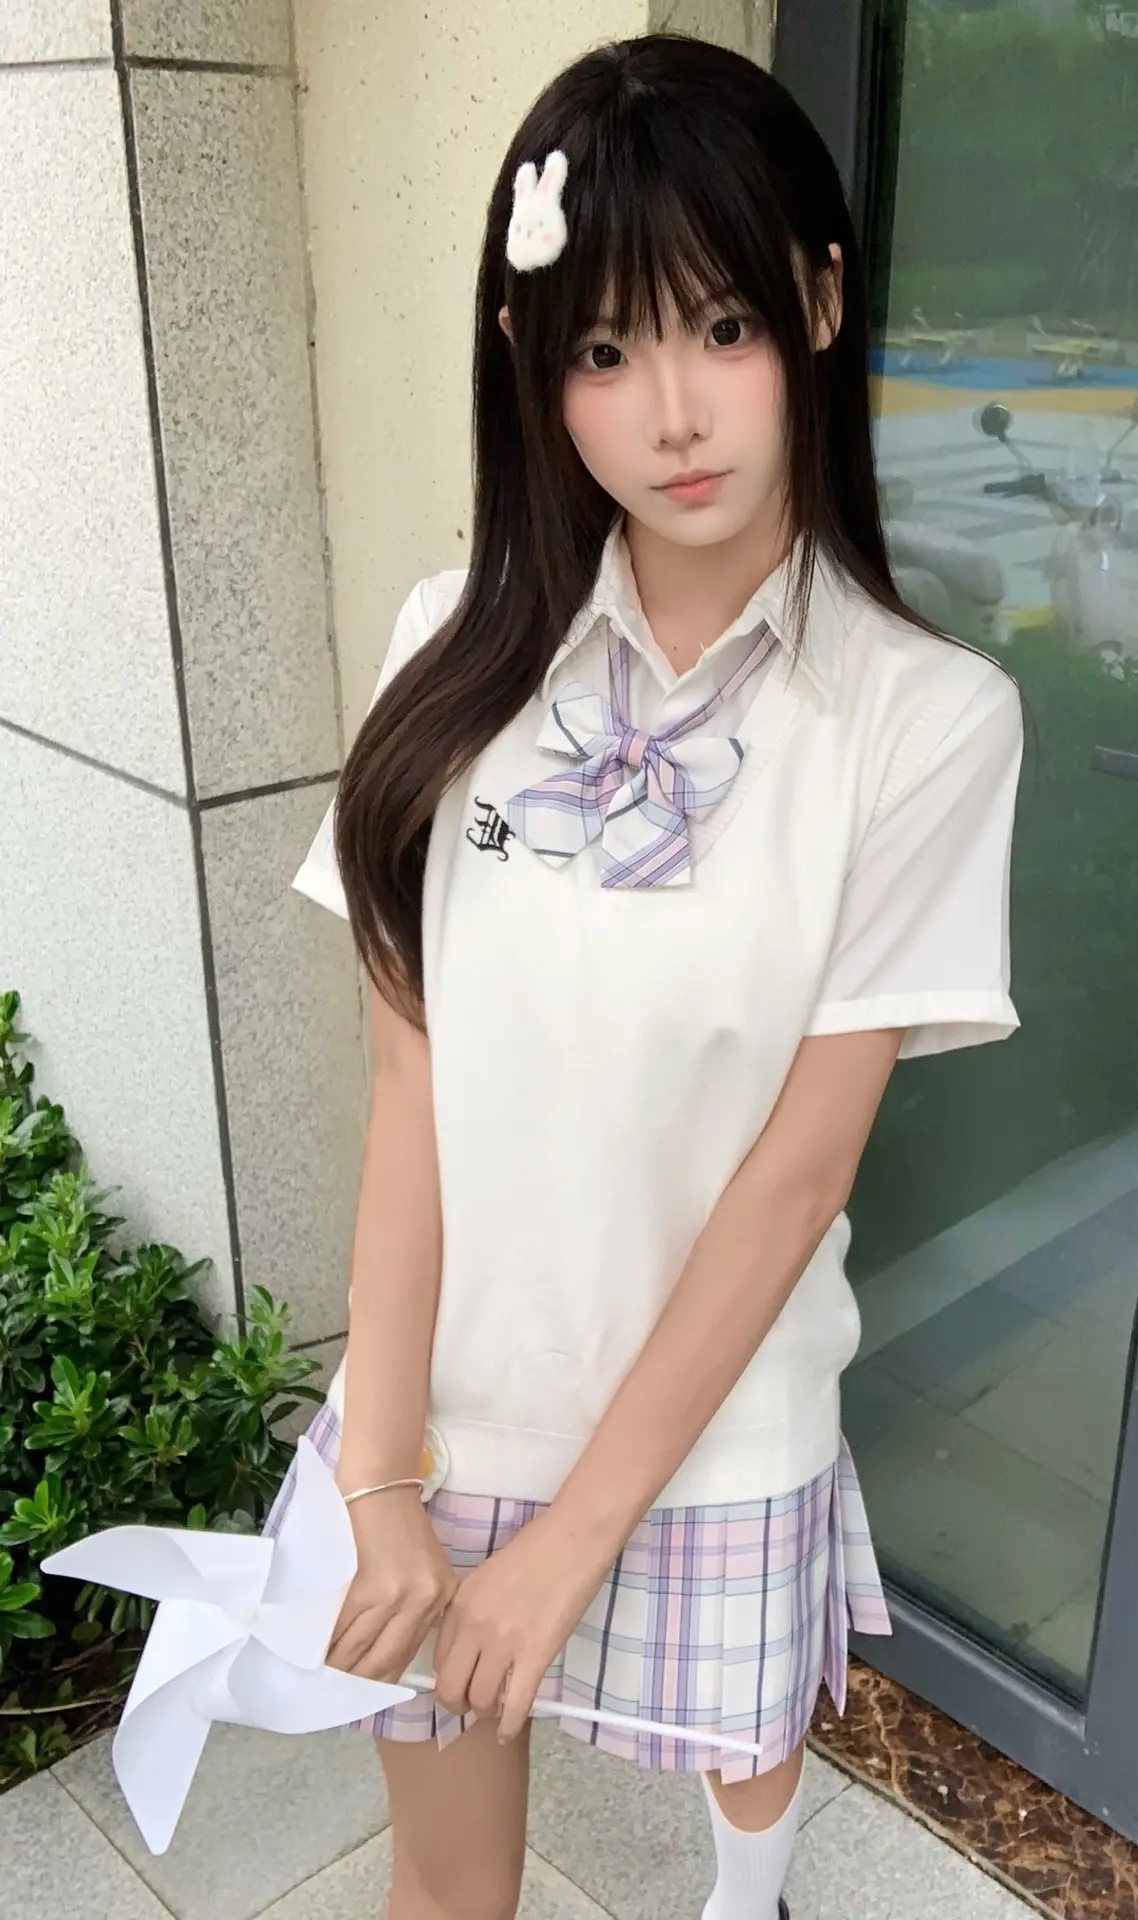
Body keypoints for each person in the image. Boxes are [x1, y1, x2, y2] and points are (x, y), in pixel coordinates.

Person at [264, 31, 1023, 1920]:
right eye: (604, 350)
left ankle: (750, 1884)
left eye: (722, 327)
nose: (674, 413)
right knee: (446, 1889)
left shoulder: (925, 720)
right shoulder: (447, 653)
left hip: (714, 1422)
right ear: (531, 362)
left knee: (739, 1794)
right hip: (451, 1413)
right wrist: (380, 1473)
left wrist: (570, 1546)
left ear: (819, 305)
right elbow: (412, 1089)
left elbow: (795, 1178)